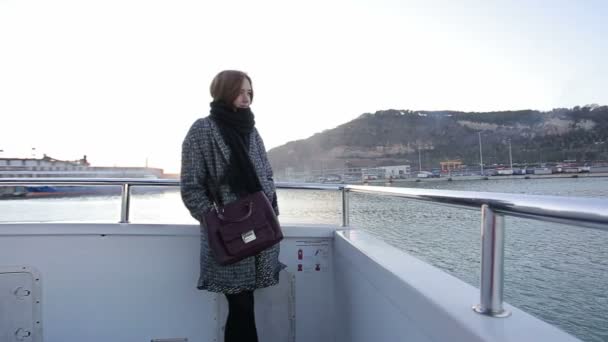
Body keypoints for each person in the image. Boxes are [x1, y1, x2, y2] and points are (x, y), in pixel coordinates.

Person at [180, 70, 285, 342]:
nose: (246, 97)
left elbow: (266, 173)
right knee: (240, 306)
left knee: (245, 306)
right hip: (229, 232)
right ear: (223, 92)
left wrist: (270, 209)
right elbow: (191, 186)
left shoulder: (251, 130)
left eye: (249, 92)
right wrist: (215, 222)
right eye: (240, 91)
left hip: (260, 227)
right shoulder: (202, 129)